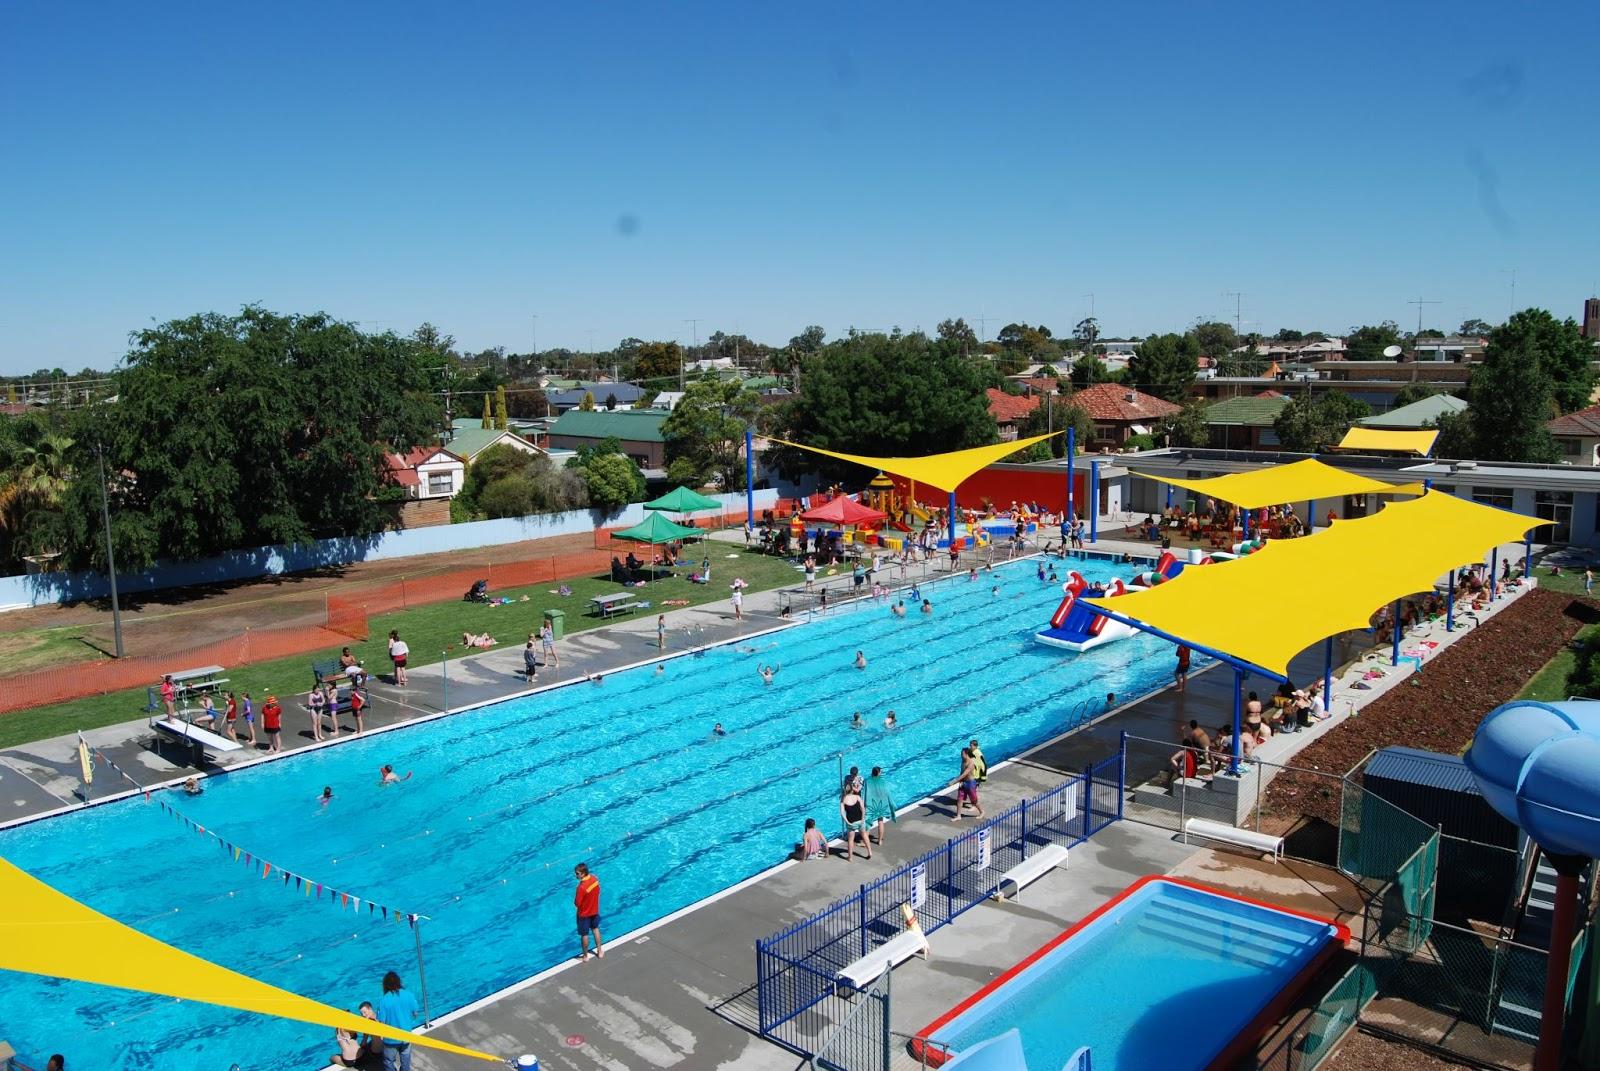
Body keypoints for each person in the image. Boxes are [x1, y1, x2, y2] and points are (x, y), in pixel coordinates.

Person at [375, 970, 421, 1071]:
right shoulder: (408, 995)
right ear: (398, 982)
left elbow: (381, 1022)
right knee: (405, 1060)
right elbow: (415, 1013)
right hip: (406, 1035)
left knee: (388, 1061)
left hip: (390, 1039)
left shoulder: (384, 1000)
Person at [333, 1001, 383, 1067]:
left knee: (332, 1058)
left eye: (364, 1012)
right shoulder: (347, 1027)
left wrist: (364, 1039)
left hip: (350, 1060)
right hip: (362, 1056)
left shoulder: (337, 1029)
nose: (363, 1015)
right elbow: (360, 1028)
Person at [574, 863, 604, 960]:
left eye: (577, 873)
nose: (576, 875)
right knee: (596, 929)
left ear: (583, 873)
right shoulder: (595, 879)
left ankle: (585, 956)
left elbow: (577, 903)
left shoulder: (581, 888)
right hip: (594, 911)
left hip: (584, 914)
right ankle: (599, 951)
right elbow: (599, 891)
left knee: (584, 935)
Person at [1168, 720, 1211, 784]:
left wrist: (1178, 767)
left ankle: (1167, 782)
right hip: (1207, 748)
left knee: (1173, 766)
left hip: (1187, 775)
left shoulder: (1183, 751)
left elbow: (1172, 759)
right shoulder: (1200, 730)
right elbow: (1187, 741)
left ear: (1191, 726)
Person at [864, 766, 897, 844]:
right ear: (878, 773)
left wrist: (864, 804)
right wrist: (892, 804)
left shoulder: (867, 781)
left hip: (871, 804)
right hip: (881, 804)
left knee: (867, 822)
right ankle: (879, 840)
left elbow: (865, 793)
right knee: (880, 821)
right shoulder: (883, 781)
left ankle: (865, 842)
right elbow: (888, 793)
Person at [840, 784, 871, 861]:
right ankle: (870, 852)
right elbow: (863, 809)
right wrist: (863, 818)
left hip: (851, 822)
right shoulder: (857, 797)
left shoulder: (843, 800)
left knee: (851, 839)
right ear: (852, 790)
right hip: (860, 820)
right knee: (865, 836)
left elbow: (842, 813)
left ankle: (850, 857)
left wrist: (847, 821)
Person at [951, 747, 983, 822]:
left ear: (966, 754)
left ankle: (982, 811)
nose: (961, 755)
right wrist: (960, 781)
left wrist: (954, 781)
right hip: (963, 783)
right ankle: (958, 816)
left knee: (974, 801)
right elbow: (962, 772)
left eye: (962, 754)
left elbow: (965, 774)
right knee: (959, 799)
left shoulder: (971, 763)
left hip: (970, 784)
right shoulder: (963, 761)